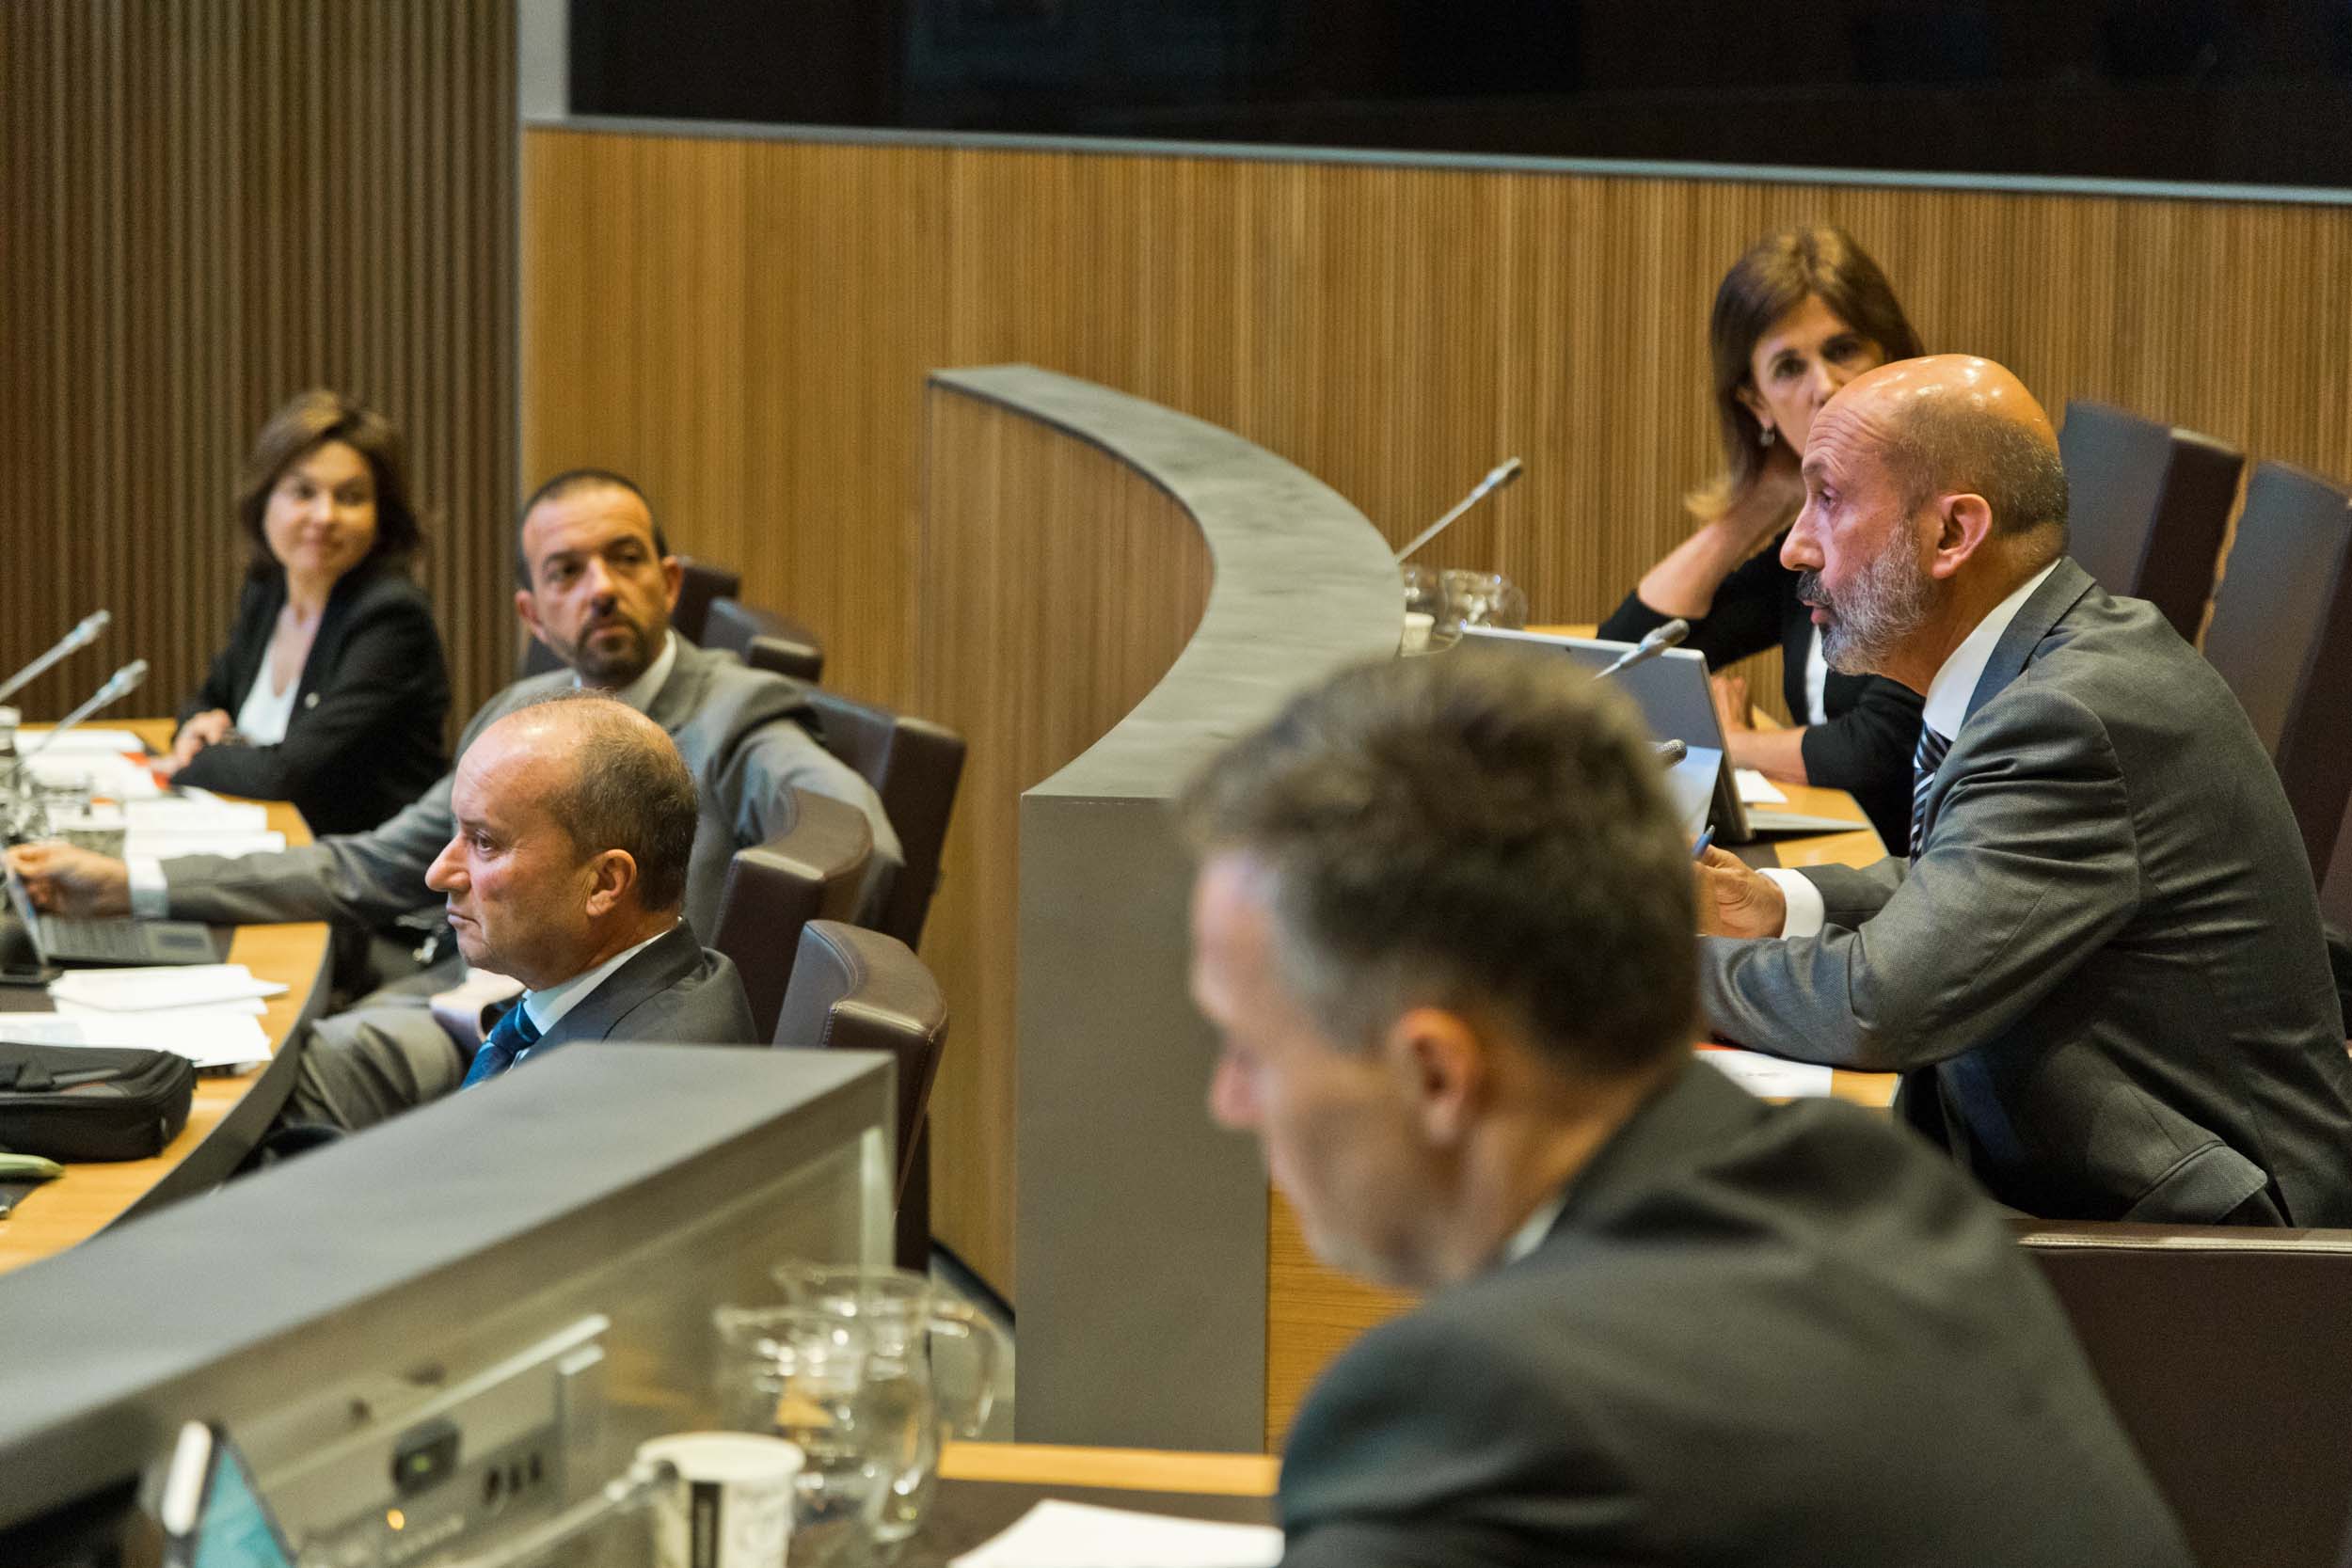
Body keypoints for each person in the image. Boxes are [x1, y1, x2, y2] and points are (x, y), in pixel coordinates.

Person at [1178, 648, 2191, 1567]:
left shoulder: (1479, 1402)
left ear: (1438, 1075)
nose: (1229, 1101)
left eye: (1251, 1047)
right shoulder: (1872, 1183)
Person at [8, 468, 898, 1129]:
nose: (599, 589)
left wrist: (708, 1003)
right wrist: (132, 884)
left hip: (606, 1032)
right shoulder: (523, 715)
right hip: (489, 992)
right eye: (566, 571)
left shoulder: (739, 714)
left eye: (623, 561)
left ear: (667, 583)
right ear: (531, 614)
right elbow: (382, 862)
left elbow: (861, 837)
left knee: (262, 1087)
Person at [1695, 354, 2352, 1225]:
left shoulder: (2072, 714)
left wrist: (1640, 964)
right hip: (2078, 1192)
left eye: (1830, 499)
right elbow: (1982, 877)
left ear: (1951, 534)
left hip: (2217, 1269)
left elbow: (1876, 1005)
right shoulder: (2034, 664)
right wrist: (1774, 902)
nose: (1794, 545)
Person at [1599, 226, 1924, 848]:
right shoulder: (1812, 534)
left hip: (1895, 876)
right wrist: (1757, 505)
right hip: (1837, 852)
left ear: (1891, 358)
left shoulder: (1926, 523)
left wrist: (1733, 744)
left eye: (1844, 349)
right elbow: (1630, 659)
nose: (1824, 386)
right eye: (1789, 368)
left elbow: (1881, 751)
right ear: (1757, 403)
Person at [428, 693, 755, 1083]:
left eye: (484, 842)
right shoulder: (589, 991)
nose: (438, 873)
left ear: (603, 884)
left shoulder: (629, 1084)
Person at [164, 390, 449, 834]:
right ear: (264, 502)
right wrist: (196, 728)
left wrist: (194, 757)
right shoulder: (269, 591)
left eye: (350, 497)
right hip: (268, 845)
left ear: (380, 517)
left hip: (359, 875)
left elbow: (288, 776)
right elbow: (206, 702)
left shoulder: (391, 619)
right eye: (303, 492)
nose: (324, 516)